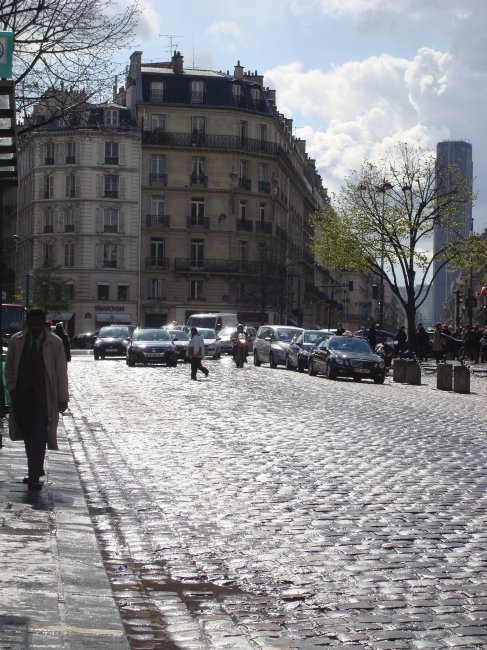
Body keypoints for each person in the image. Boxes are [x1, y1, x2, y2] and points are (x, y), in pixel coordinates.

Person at [6, 308, 69, 490]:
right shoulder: (17, 341)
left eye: (37, 323)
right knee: (28, 435)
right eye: (31, 323)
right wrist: (12, 387)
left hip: (44, 397)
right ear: (27, 322)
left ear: (43, 323)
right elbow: (9, 367)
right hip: (22, 396)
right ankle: (34, 468)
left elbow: (60, 372)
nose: (34, 327)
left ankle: (34, 475)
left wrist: (62, 398)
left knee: (39, 435)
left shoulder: (54, 343)